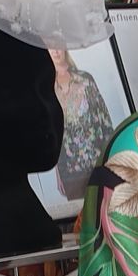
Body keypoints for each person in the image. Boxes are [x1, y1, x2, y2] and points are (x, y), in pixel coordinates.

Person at [52, 46, 115, 199]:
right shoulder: (47, 88)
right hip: (68, 169)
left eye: (57, 44)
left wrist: (113, 159)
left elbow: (105, 121)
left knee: (103, 211)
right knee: (79, 218)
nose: (55, 50)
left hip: (97, 162)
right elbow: (53, 132)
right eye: (49, 46)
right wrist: (57, 170)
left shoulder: (85, 80)